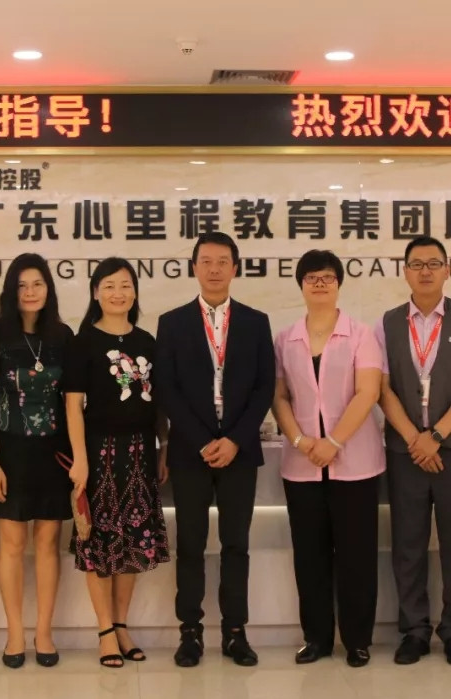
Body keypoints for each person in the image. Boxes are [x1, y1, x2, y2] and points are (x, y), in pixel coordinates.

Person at [156, 232, 276, 668]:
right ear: (194, 267)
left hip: (239, 451)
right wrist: (204, 440)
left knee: (236, 544)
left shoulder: (256, 321)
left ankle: (235, 632)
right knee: (189, 543)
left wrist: (235, 439)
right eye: (205, 261)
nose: (214, 269)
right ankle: (190, 632)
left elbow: (264, 386)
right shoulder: (172, 323)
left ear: (235, 268)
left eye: (222, 261)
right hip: (191, 451)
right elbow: (166, 389)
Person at [376, 236, 451, 667]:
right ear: (405, 271)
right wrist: (415, 439)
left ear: (448, 269)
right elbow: (382, 389)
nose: (425, 271)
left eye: (433, 263)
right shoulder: (387, 324)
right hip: (405, 451)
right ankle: (415, 630)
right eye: (416, 264)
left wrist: (437, 435)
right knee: (407, 542)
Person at [270, 250, 383, 669]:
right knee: (310, 557)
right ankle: (316, 638)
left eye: (328, 277)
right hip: (302, 466)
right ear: (301, 284)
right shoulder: (285, 339)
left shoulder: (361, 334)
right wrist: (301, 440)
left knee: (357, 556)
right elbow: (279, 396)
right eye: (312, 278)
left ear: (339, 284)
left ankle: (357, 640)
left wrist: (333, 441)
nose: (320, 284)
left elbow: (368, 392)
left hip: (356, 464)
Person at [63, 257, 170, 669]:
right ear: (95, 293)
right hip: (99, 454)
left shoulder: (147, 341)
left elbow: (159, 405)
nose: (118, 293)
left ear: (135, 292)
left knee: (135, 541)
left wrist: (163, 448)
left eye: (125, 285)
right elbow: (73, 406)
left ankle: (122, 625)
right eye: (109, 285)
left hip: (141, 451)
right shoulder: (82, 342)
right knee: (99, 543)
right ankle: (105, 630)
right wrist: (80, 460)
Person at [0, 253, 74, 669]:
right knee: (12, 545)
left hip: (54, 453)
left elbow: (72, 401)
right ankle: (15, 633)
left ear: (48, 288)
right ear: (11, 292)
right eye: (22, 285)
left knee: (48, 544)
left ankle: (44, 632)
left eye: (38, 284)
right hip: (9, 453)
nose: (30, 292)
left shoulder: (63, 336)